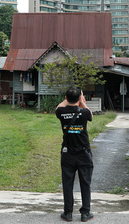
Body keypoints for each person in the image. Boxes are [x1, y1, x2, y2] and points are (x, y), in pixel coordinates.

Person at [56, 87, 94, 222]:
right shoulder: (84, 113)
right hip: (83, 153)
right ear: (79, 98)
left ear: (66, 98)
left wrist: (68, 99)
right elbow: (90, 114)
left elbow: (58, 107)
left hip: (68, 154)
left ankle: (68, 213)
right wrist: (81, 101)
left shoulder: (61, 112)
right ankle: (85, 213)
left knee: (67, 183)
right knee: (85, 182)